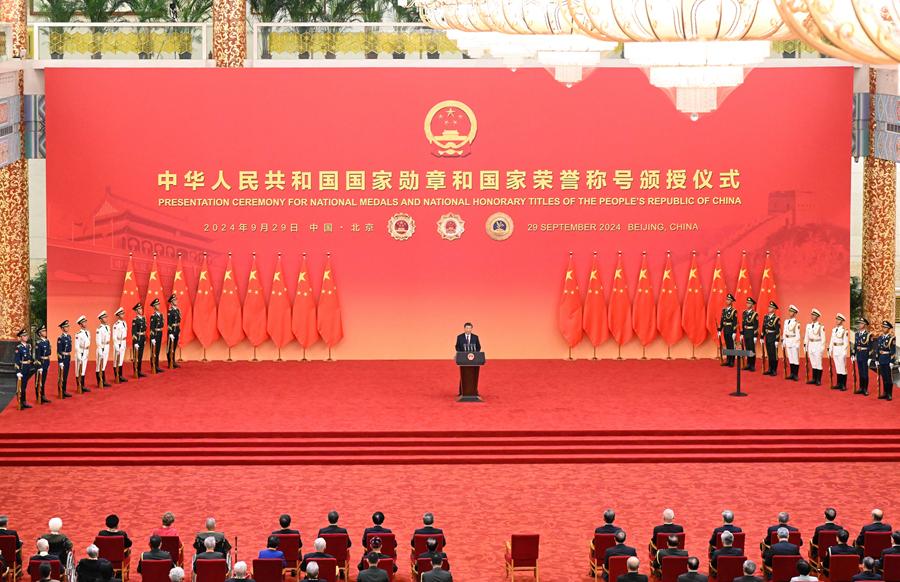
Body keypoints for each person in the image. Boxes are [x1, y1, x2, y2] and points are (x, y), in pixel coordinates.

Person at [14, 328, 34, 409]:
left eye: (26, 335)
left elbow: (30, 357)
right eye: (24, 336)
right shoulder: (19, 347)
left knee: (24, 386)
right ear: (21, 337)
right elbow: (17, 360)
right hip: (22, 368)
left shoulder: (28, 346)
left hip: (27, 368)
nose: (26, 337)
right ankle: (20, 402)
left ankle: (24, 402)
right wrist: (18, 371)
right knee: (20, 386)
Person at [805, 309, 826, 385]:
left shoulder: (821, 326)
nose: (812, 316)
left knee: (818, 363)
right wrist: (805, 346)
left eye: (814, 315)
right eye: (812, 315)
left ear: (817, 316)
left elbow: (823, 339)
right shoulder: (808, 326)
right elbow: (806, 337)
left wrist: (822, 349)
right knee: (813, 362)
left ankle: (818, 380)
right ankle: (814, 379)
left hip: (817, 345)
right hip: (811, 345)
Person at [829, 314, 850, 390]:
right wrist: (830, 349)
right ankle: (838, 384)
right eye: (837, 319)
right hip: (835, 349)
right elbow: (832, 340)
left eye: (839, 319)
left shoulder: (844, 330)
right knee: (837, 367)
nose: (837, 321)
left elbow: (846, 343)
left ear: (842, 321)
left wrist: (844, 353)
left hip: (841, 350)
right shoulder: (834, 330)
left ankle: (843, 385)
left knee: (842, 367)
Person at [854, 318, 873, 396]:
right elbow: (855, 345)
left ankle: (865, 389)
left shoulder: (868, 335)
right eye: (859, 323)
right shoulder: (857, 334)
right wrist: (853, 353)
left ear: (865, 325)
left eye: (861, 323)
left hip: (865, 355)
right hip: (859, 355)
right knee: (860, 372)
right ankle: (861, 388)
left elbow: (871, 348)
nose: (860, 325)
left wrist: (869, 358)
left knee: (865, 373)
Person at [876, 323, 896, 400]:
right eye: (883, 327)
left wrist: (892, 361)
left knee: (888, 378)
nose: (884, 328)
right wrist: (877, 359)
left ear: (888, 329)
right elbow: (878, 349)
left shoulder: (891, 338)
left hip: (887, 359)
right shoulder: (880, 337)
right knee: (883, 377)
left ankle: (889, 394)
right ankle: (885, 393)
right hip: (881, 359)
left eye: (885, 327)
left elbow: (893, 351)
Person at [34, 324, 52, 404]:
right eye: (43, 331)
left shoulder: (47, 341)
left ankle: (43, 395)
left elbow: (49, 352)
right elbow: (37, 356)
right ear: (39, 333)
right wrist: (39, 366)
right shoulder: (38, 343)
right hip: (41, 362)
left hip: (46, 362)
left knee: (43, 380)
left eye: (45, 331)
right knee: (39, 380)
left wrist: (48, 363)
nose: (45, 332)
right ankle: (38, 396)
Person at [719, 294, 738, 367]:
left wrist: (734, 332)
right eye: (727, 299)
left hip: (730, 329)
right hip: (725, 329)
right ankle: (728, 360)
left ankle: (732, 361)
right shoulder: (724, 310)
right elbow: (722, 320)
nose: (727, 301)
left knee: (731, 346)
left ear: (732, 301)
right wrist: (719, 329)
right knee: (727, 345)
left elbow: (735, 322)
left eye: (729, 300)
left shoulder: (734, 311)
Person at [762, 302, 781, 376]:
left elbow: (778, 331)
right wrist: (762, 337)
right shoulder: (766, 317)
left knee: (774, 354)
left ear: (774, 309)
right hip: (767, 337)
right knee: (769, 354)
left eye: (771, 307)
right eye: (769, 307)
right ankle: (770, 369)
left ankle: (774, 370)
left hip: (773, 337)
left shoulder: (776, 319)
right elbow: (764, 327)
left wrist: (777, 340)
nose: (769, 308)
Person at [783, 306, 802, 381]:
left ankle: (795, 374)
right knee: (790, 358)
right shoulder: (786, 321)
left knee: (795, 359)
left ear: (795, 313)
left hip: (793, 341)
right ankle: (791, 374)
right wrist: (784, 340)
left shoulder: (797, 323)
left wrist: (797, 344)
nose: (790, 313)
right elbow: (784, 331)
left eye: (792, 312)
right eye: (789, 311)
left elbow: (798, 334)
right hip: (788, 340)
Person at [741, 297, 759, 371]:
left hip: (751, 332)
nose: (747, 304)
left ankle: (752, 365)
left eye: (749, 303)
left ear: (752, 304)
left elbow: (756, 326)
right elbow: (743, 323)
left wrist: (755, 336)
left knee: (752, 349)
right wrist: (742, 333)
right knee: (747, 348)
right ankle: (748, 364)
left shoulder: (755, 314)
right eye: (747, 303)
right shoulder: (744, 312)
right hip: (746, 332)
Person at [111, 308, 128, 384]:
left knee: (121, 360)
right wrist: (116, 345)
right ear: (118, 315)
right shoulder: (116, 325)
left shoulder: (124, 323)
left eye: (123, 313)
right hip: (118, 342)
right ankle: (116, 376)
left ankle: (120, 376)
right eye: (121, 314)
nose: (123, 315)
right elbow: (114, 336)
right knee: (116, 360)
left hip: (123, 342)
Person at [74, 315, 91, 393]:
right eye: (83, 322)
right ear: (80, 324)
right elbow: (77, 346)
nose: (85, 323)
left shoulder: (88, 332)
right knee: (78, 370)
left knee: (83, 370)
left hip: (86, 351)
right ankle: (79, 386)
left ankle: (82, 386)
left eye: (85, 322)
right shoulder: (78, 334)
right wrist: (79, 356)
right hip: (80, 352)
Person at [56, 320, 73, 398]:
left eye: (68, 326)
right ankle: (60, 391)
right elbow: (59, 351)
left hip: (68, 357)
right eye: (66, 327)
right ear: (62, 328)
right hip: (63, 357)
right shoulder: (60, 338)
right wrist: (60, 361)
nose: (67, 328)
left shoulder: (69, 337)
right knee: (61, 376)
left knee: (66, 375)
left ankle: (64, 391)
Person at [95, 310, 111, 388]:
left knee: (104, 364)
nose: (106, 318)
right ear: (100, 319)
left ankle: (103, 381)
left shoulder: (108, 327)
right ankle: (99, 381)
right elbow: (98, 341)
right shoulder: (99, 329)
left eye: (106, 317)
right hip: (102, 347)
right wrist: (100, 350)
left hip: (107, 346)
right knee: (99, 365)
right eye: (104, 317)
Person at [132, 303, 147, 378]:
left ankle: (139, 371)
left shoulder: (143, 319)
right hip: (137, 339)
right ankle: (135, 371)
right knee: (136, 356)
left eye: (141, 309)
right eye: (139, 309)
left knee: (140, 356)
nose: (141, 310)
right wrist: (135, 342)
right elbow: (134, 331)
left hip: (142, 338)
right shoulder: (135, 320)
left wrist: (144, 339)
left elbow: (144, 330)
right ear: (136, 311)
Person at [149, 298, 164, 374]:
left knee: (157, 351)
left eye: (159, 304)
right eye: (157, 305)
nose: (158, 306)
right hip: (155, 334)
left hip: (160, 333)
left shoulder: (160, 315)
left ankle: (157, 366)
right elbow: (152, 328)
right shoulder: (153, 316)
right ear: (154, 307)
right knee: (153, 351)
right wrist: (152, 338)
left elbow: (162, 325)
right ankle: (153, 366)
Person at [167, 293, 181, 369]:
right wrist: (170, 333)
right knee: (170, 347)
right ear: (171, 302)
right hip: (172, 331)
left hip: (176, 330)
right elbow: (169, 323)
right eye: (174, 300)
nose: (176, 301)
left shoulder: (177, 310)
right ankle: (170, 362)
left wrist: (178, 331)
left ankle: (173, 361)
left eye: (176, 300)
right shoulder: (170, 311)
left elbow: (178, 321)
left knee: (174, 347)